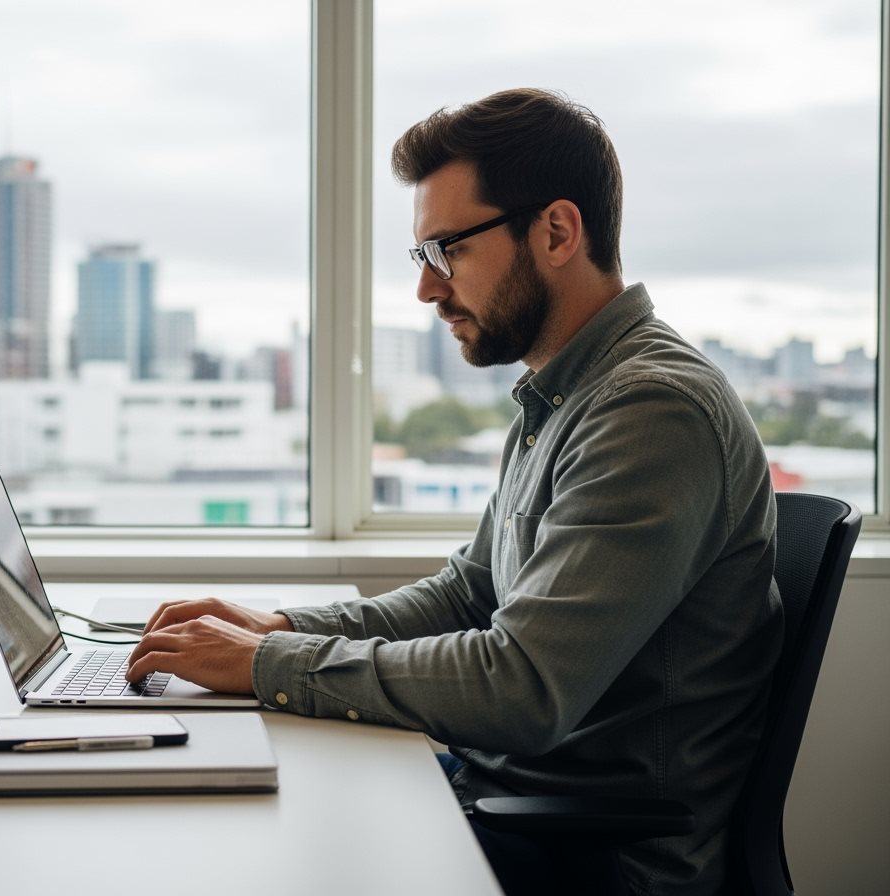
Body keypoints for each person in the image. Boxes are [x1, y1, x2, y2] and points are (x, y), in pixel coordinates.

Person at [126, 88, 783, 895]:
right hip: (503, 802)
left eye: (448, 251)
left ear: (557, 232)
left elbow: (522, 687)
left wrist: (267, 663)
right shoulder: (565, 395)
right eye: (423, 258)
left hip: (584, 858)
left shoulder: (651, 410)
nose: (428, 290)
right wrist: (280, 628)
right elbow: (469, 595)